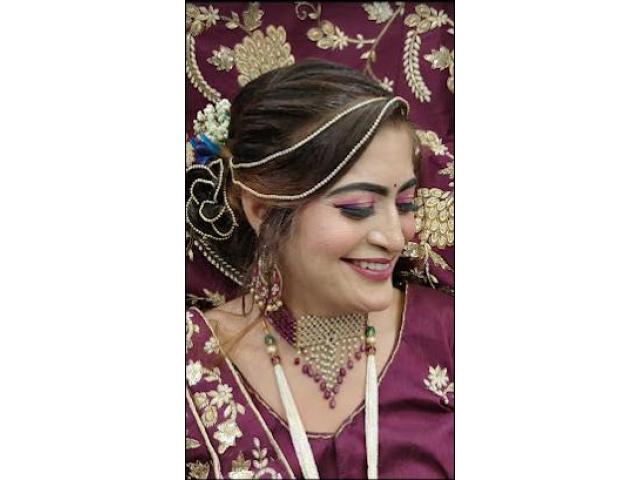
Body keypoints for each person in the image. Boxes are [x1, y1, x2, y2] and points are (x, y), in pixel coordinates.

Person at [185, 59, 453, 479]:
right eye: (357, 207)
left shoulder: (447, 338)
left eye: (404, 204)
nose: (395, 237)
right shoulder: (192, 365)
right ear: (262, 211)